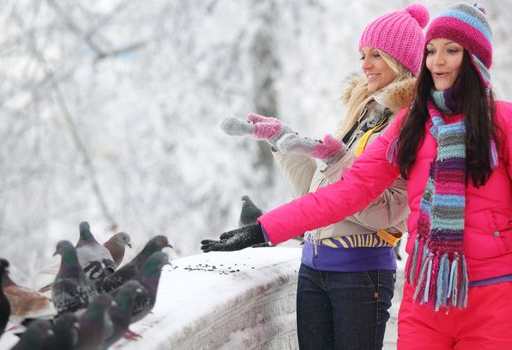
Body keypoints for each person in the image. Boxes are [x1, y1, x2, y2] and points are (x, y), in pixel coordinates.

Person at [202, 3, 512, 349]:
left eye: (451, 51)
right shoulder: (410, 125)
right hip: (425, 299)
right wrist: (264, 229)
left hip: (493, 298)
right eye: (430, 50)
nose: (437, 61)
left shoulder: (503, 123)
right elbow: (348, 191)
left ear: (475, 59)